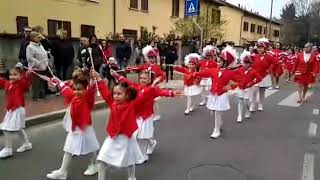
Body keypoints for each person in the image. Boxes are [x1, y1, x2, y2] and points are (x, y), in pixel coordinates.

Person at [95, 73, 161, 180]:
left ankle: (132, 177)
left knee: (130, 159)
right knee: (102, 159)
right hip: (113, 136)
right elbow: (105, 93)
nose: (115, 96)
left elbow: (145, 96)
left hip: (126, 137)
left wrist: (154, 88)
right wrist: (98, 79)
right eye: (114, 93)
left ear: (127, 95)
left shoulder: (132, 105)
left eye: (119, 94)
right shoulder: (112, 103)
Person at [111, 70, 180, 164]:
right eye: (141, 78)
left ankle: (143, 156)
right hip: (137, 115)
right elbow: (127, 82)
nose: (142, 80)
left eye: (145, 78)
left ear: (149, 79)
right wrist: (116, 75)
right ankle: (152, 143)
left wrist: (172, 93)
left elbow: (161, 92)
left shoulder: (151, 89)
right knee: (140, 135)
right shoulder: (135, 87)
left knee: (142, 136)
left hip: (146, 116)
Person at [47, 70, 100, 179]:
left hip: (85, 127)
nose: (76, 92)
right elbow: (67, 91)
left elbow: (90, 90)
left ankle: (94, 164)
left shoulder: (87, 98)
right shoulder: (74, 97)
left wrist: (93, 80)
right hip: (75, 127)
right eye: (75, 89)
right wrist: (59, 83)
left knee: (90, 148)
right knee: (69, 148)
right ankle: (63, 171)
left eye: (79, 89)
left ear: (85, 89)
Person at [193, 46, 238, 139]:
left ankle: (216, 129)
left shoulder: (230, 73)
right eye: (217, 61)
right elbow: (203, 73)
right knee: (216, 112)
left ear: (225, 63)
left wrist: (231, 86)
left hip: (222, 94)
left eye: (220, 61)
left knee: (218, 112)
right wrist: (194, 73)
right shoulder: (214, 70)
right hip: (214, 94)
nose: (217, 63)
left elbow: (241, 81)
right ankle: (218, 125)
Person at [0, 66, 32, 158]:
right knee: (18, 128)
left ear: (20, 76)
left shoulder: (20, 84)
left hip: (17, 109)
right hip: (10, 109)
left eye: (15, 75)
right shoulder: (7, 83)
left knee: (6, 128)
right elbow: (1, 81)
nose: (12, 77)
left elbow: (26, 84)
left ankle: (8, 149)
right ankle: (26, 144)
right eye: (10, 75)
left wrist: (27, 75)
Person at [250, 38, 277, 112]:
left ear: (265, 48)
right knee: (254, 91)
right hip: (255, 76)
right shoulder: (254, 56)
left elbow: (276, 63)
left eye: (261, 48)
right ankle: (252, 105)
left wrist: (270, 69)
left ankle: (260, 104)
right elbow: (250, 64)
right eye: (259, 48)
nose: (260, 49)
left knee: (262, 92)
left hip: (264, 76)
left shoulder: (269, 56)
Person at [235, 51, 262, 123]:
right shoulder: (239, 69)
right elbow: (233, 76)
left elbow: (259, 79)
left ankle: (247, 110)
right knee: (240, 101)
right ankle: (239, 115)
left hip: (248, 88)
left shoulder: (253, 71)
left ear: (250, 64)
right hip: (240, 88)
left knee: (246, 102)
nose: (246, 64)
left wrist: (251, 83)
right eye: (245, 63)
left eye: (248, 63)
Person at [26, 31, 49, 101]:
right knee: (36, 83)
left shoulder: (40, 45)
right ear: (33, 38)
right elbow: (29, 57)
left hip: (43, 67)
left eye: (40, 37)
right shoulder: (30, 47)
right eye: (38, 37)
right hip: (36, 68)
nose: (40, 38)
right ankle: (35, 96)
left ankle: (42, 95)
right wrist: (37, 62)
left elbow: (43, 53)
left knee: (42, 82)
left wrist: (46, 57)